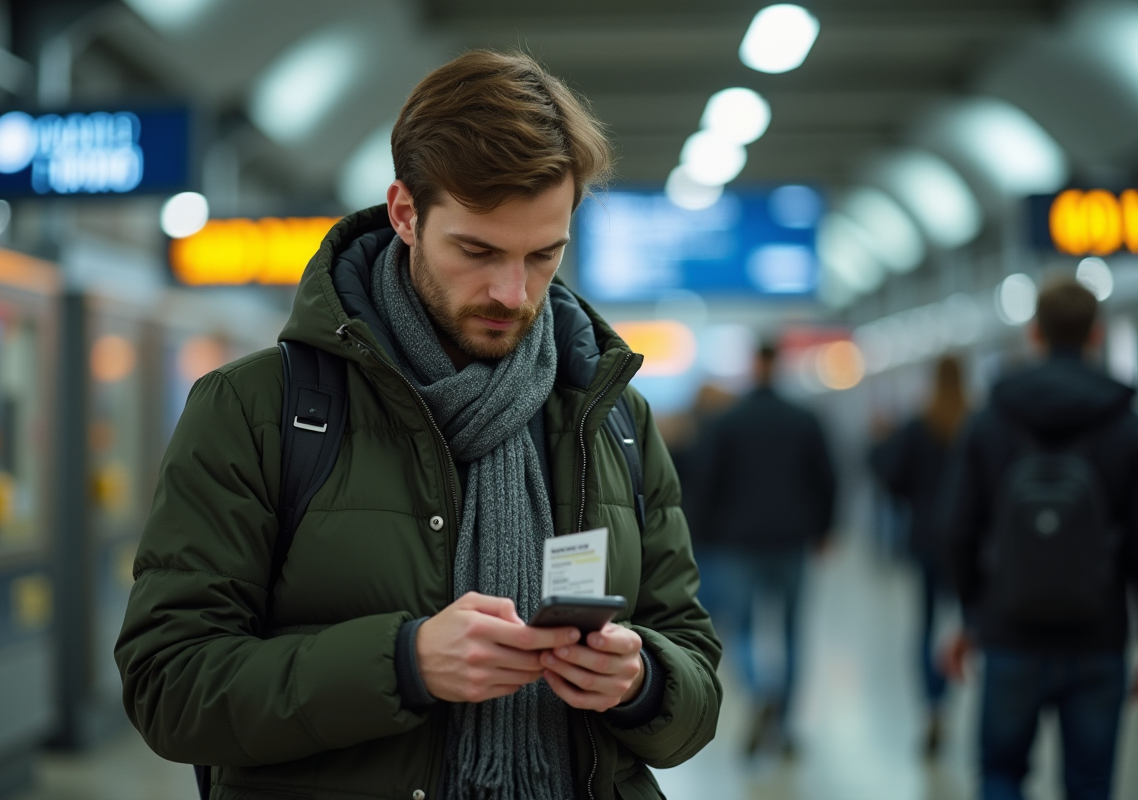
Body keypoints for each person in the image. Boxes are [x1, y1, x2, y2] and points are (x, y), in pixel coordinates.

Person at [114, 51, 721, 800]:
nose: (512, 291)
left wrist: (644, 678)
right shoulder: (257, 411)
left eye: (544, 256)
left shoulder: (611, 416)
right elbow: (167, 686)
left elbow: (694, 669)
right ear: (405, 213)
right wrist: (402, 663)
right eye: (478, 251)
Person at [944, 277, 1138, 800]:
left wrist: (971, 617)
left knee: (1002, 774)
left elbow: (959, 528)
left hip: (1010, 632)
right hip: (1100, 634)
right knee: (1091, 784)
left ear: (1034, 334)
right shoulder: (1125, 425)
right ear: (1095, 336)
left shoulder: (990, 420)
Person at [694, 342, 837, 757]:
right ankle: (786, 723)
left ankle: (760, 692)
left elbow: (707, 483)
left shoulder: (727, 423)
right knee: (792, 631)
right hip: (793, 540)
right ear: (780, 365)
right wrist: (825, 528)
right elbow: (827, 478)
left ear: (753, 365)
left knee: (744, 629)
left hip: (738, 542)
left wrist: (703, 535)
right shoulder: (805, 420)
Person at [870, 355, 968, 758]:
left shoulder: (917, 426)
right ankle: (955, 697)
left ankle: (933, 707)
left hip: (927, 537)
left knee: (925, 625)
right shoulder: (974, 422)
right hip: (969, 543)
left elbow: (889, 475)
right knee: (966, 624)